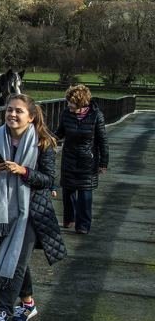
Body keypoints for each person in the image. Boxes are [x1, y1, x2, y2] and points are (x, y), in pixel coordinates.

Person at [0, 94, 67, 321]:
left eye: (18, 111)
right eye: (9, 110)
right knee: (17, 258)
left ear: (30, 117)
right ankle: (28, 303)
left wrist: (24, 171)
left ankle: (2, 313)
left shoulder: (43, 142)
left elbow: (48, 180)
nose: (12, 114)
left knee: (16, 260)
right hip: (2, 210)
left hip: (31, 211)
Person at [56, 84, 109, 235]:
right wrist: (46, 140)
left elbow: (103, 140)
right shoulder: (66, 114)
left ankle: (83, 225)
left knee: (85, 194)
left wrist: (103, 163)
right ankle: (69, 219)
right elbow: (60, 132)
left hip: (88, 160)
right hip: (69, 157)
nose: (68, 105)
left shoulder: (96, 116)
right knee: (68, 191)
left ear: (80, 103)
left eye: (71, 102)